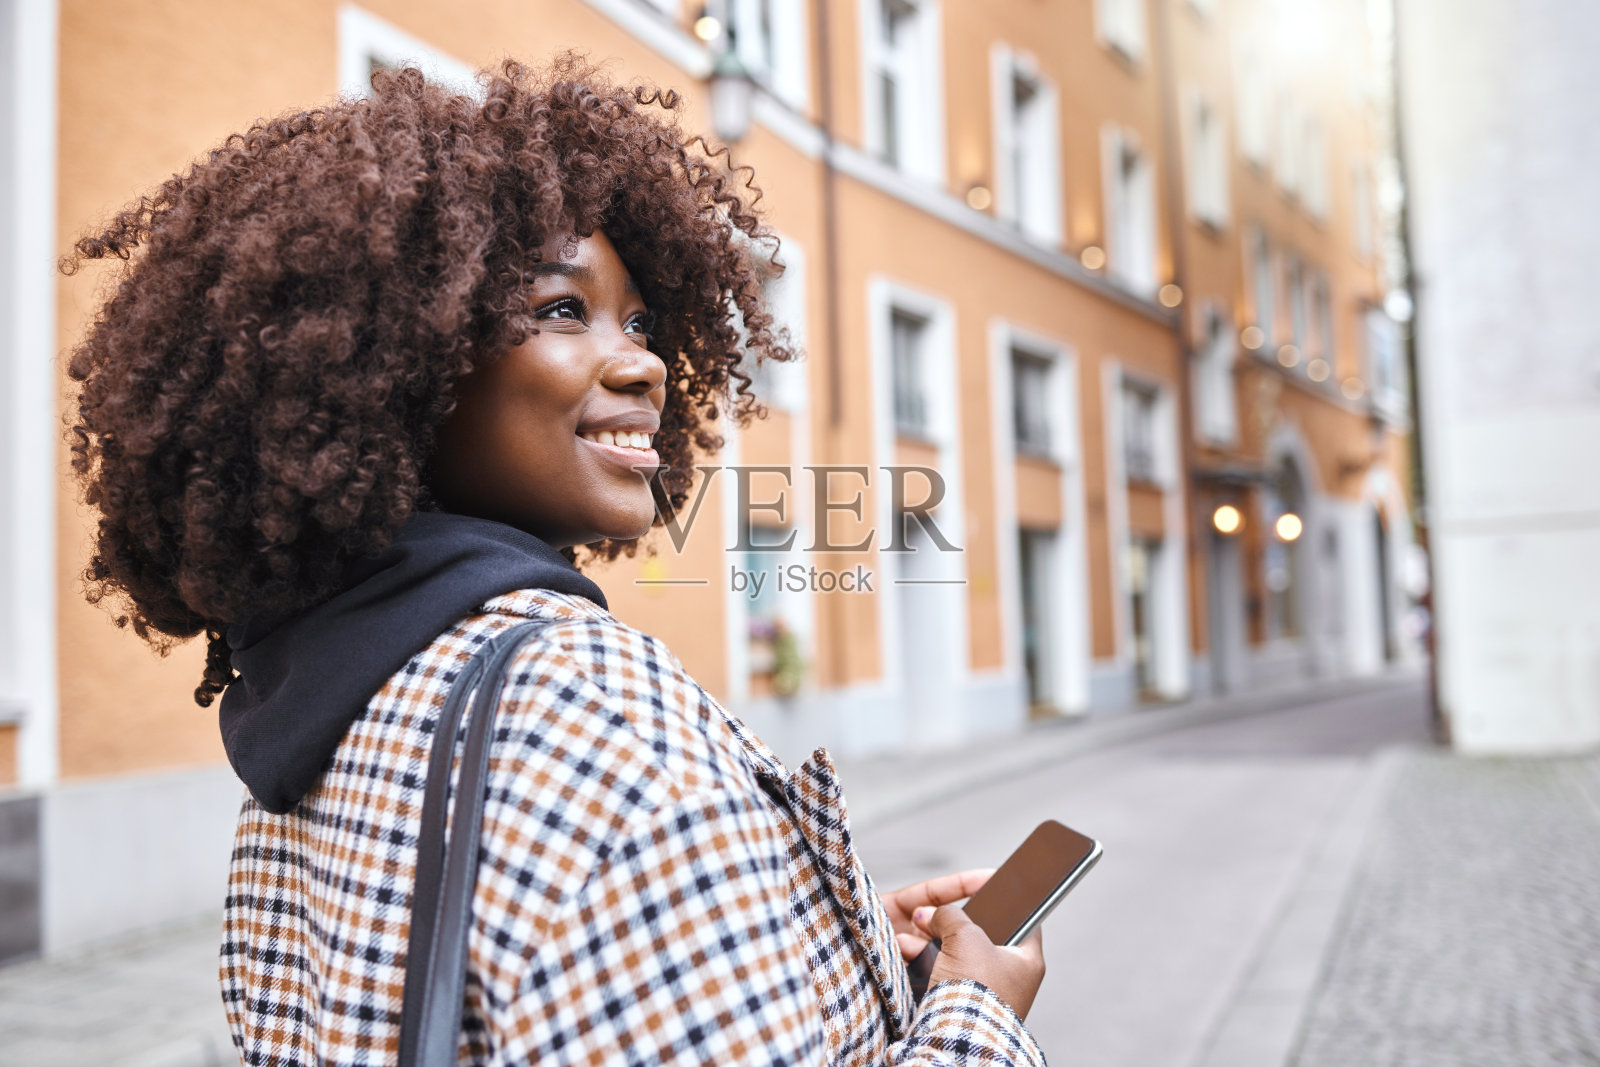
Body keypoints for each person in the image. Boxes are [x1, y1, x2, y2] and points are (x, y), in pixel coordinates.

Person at [63, 58, 1046, 1066]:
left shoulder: (320, 708)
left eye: (641, 321)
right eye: (562, 310)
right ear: (405, 363)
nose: (647, 363)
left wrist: (798, 945)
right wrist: (977, 1006)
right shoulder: (593, 706)